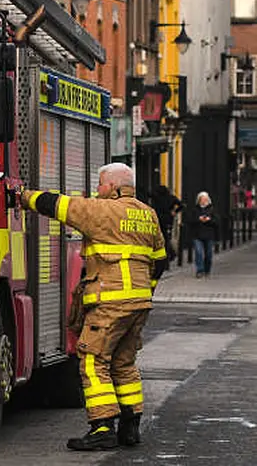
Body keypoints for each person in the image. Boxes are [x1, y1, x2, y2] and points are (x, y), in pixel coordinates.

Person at [20, 163, 168, 451]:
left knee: (92, 360)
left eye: (100, 185)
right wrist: (143, 293)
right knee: (124, 364)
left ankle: (102, 427)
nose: (96, 191)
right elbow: (160, 261)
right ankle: (130, 426)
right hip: (139, 303)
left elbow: (58, 205)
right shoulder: (148, 214)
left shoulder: (103, 211)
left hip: (111, 302)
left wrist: (22, 196)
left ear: (112, 187)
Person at [150, 185, 183, 267]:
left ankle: (165, 257)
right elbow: (181, 205)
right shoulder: (171, 198)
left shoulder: (156, 197)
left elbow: (148, 195)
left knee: (158, 239)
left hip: (157, 220)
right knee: (166, 239)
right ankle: (167, 260)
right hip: (168, 220)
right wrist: (174, 212)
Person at [188, 191, 218, 278]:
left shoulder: (212, 209)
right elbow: (190, 220)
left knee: (208, 254)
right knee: (199, 252)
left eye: (205, 199)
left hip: (209, 235)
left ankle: (207, 270)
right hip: (197, 234)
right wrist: (198, 219)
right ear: (199, 200)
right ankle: (200, 270)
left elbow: (217, 222)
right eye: (202, 199)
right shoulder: (195, 209)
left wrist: (209, 220)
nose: (204, 201)